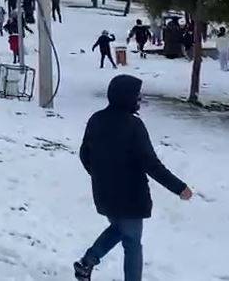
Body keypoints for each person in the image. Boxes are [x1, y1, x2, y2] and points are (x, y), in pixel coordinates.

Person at [75, 75, 193, 281]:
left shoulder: (96, 119)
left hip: (105, 192)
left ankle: (87, 262)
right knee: (132, 242)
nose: (139, 99)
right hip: (130, 196)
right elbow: (151, 164)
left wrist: (100, 176)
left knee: (120, 230)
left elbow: (84, 154)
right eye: (136, 95)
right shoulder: (133, 126)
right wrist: (179, 187)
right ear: (125, 96)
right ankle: (93, 264)